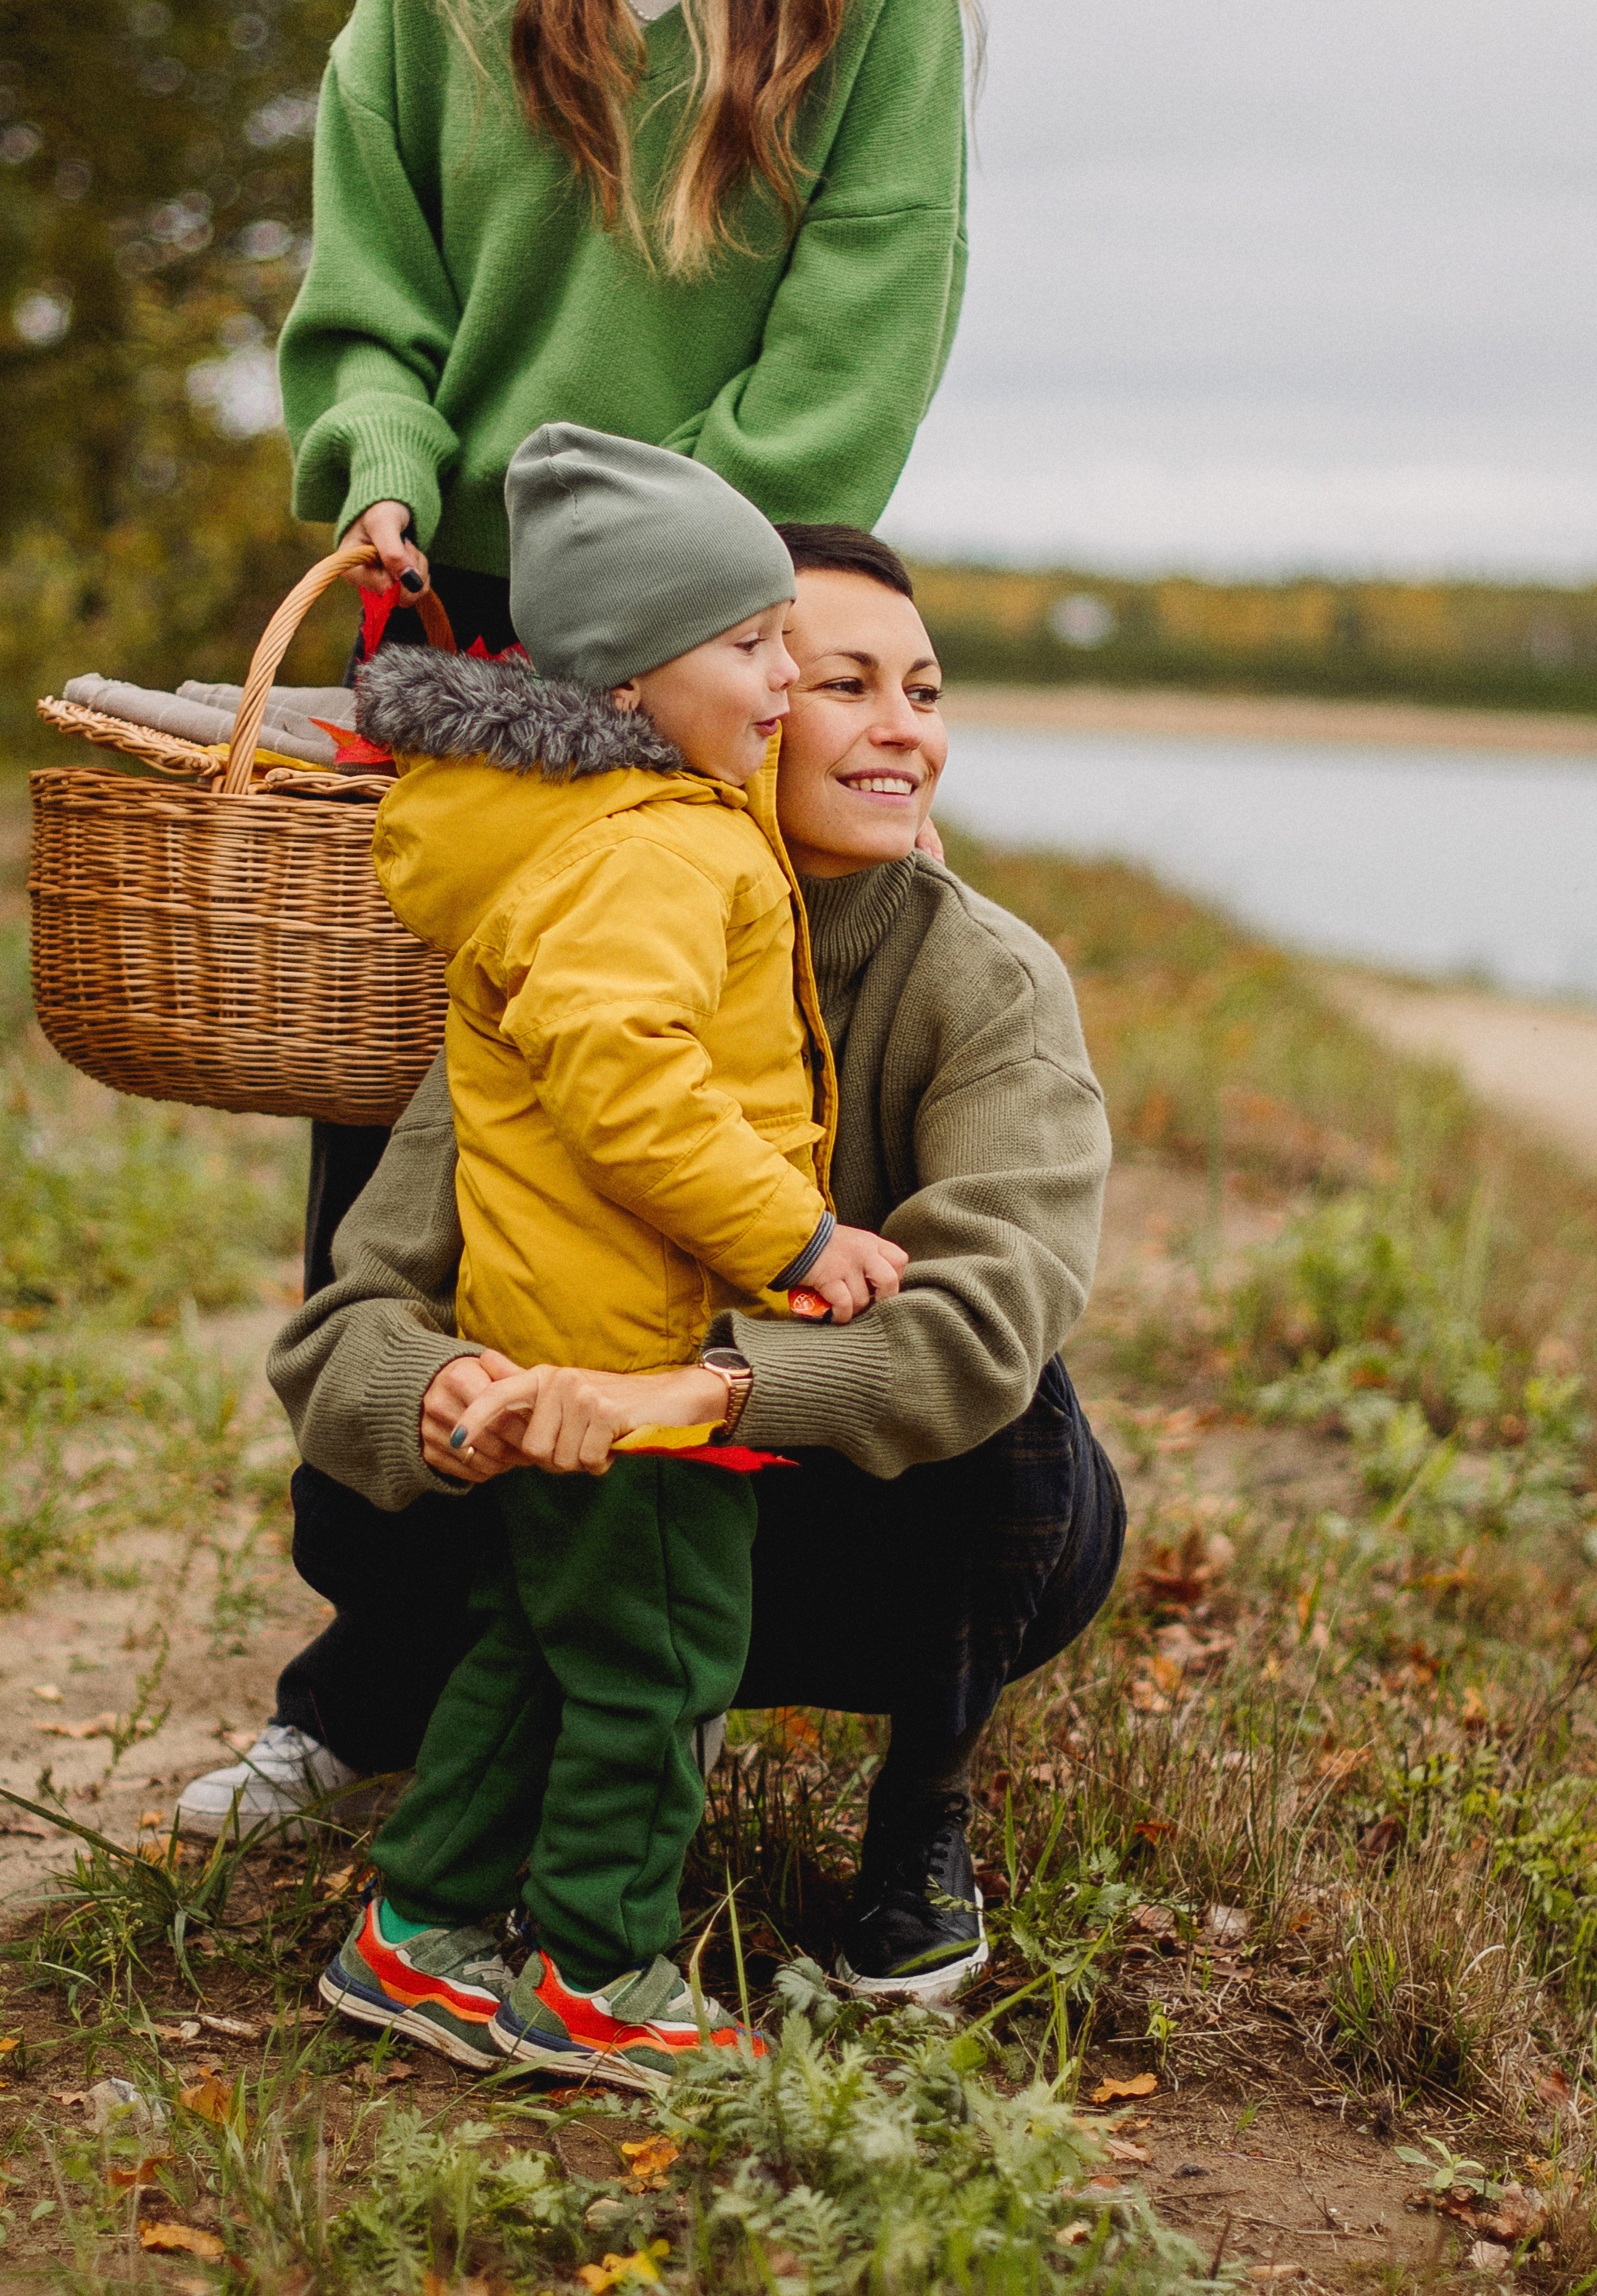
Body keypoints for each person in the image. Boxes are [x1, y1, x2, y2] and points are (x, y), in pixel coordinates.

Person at [178, 532, 1124, 2008]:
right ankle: (461, 1842)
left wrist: (695, 1392)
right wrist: (450, 1395)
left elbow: (994, 1306)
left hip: (841, 1513)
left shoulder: (984, 975)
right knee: (393, 1488)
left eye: (924, 691)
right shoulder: (579, 921)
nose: (903, 729)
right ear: (714, 704)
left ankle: (921, 1821)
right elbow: (354, 1315)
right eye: (839, 683)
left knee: (1017, 1406)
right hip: (596, 1513)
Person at [275, 0, 970, 1305]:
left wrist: (658, 581)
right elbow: (369, 259)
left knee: (682, 1093)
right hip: (462, 630)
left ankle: (686, 1506)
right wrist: (378, 449)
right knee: (397, 1114)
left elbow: (862, 331)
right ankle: (387, 1523)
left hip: (722, 638)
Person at [313, 423, 911, 2085]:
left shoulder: (615, 822)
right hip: (623, 1338)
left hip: (557, 1318)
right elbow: (624, 1079)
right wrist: (792, 1236)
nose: (785, 677)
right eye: (747, 646)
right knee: (657, 1663)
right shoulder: (653, 842)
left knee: (542, 1640)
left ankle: (414, 1932)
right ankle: (595, 1965)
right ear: (632, 681)